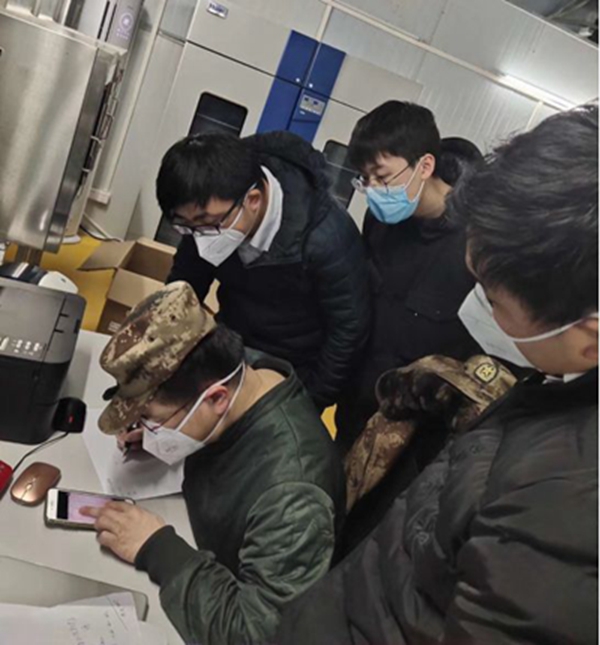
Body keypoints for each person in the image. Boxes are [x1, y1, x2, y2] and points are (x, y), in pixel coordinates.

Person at [276, 105, 598, 644]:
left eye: (492, 300)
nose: (477, 308)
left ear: (588, 338)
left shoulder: (560, 508)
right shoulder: (554, 387)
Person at [82, 281, 346, 645]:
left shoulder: (293, 494)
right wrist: (161, 432)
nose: (147, 427)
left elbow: (256, 634)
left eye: (152, 419)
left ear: (216, 398)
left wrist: (158, 549)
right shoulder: (240, 369)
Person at [159, 131, 370, 411]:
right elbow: (185, 287)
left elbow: (348, 331)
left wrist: (309, 401)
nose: (200, 237)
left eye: (208, 223)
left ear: (253, 199)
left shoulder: (327, 237)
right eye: (186, 226)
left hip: (294, 371)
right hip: (231, 346)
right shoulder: (205, 218)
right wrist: (158, 356)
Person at [335, 101, 482, 455]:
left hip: (418, 432)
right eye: (365, 179)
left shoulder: (477, 244)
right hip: (357, 403)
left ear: (425, 166)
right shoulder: (380, 222)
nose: (373, 189)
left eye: (382, 177)